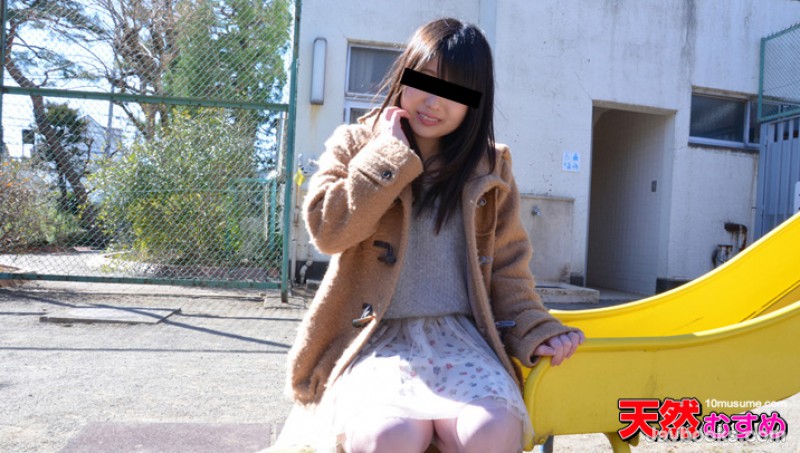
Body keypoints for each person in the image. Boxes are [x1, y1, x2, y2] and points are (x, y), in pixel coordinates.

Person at [277, 17, 584, 453]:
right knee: (392, 436)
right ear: (405, 74)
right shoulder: (356, 142)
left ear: (474, 103)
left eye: (455, 92)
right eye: (424, 80)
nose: (434, 102)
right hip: (373, 340)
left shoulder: (490, 167)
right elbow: (328, 231)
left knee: (492, 431)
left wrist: (537, 328)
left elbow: (509, 272)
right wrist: (387, 156)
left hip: (461, 341)